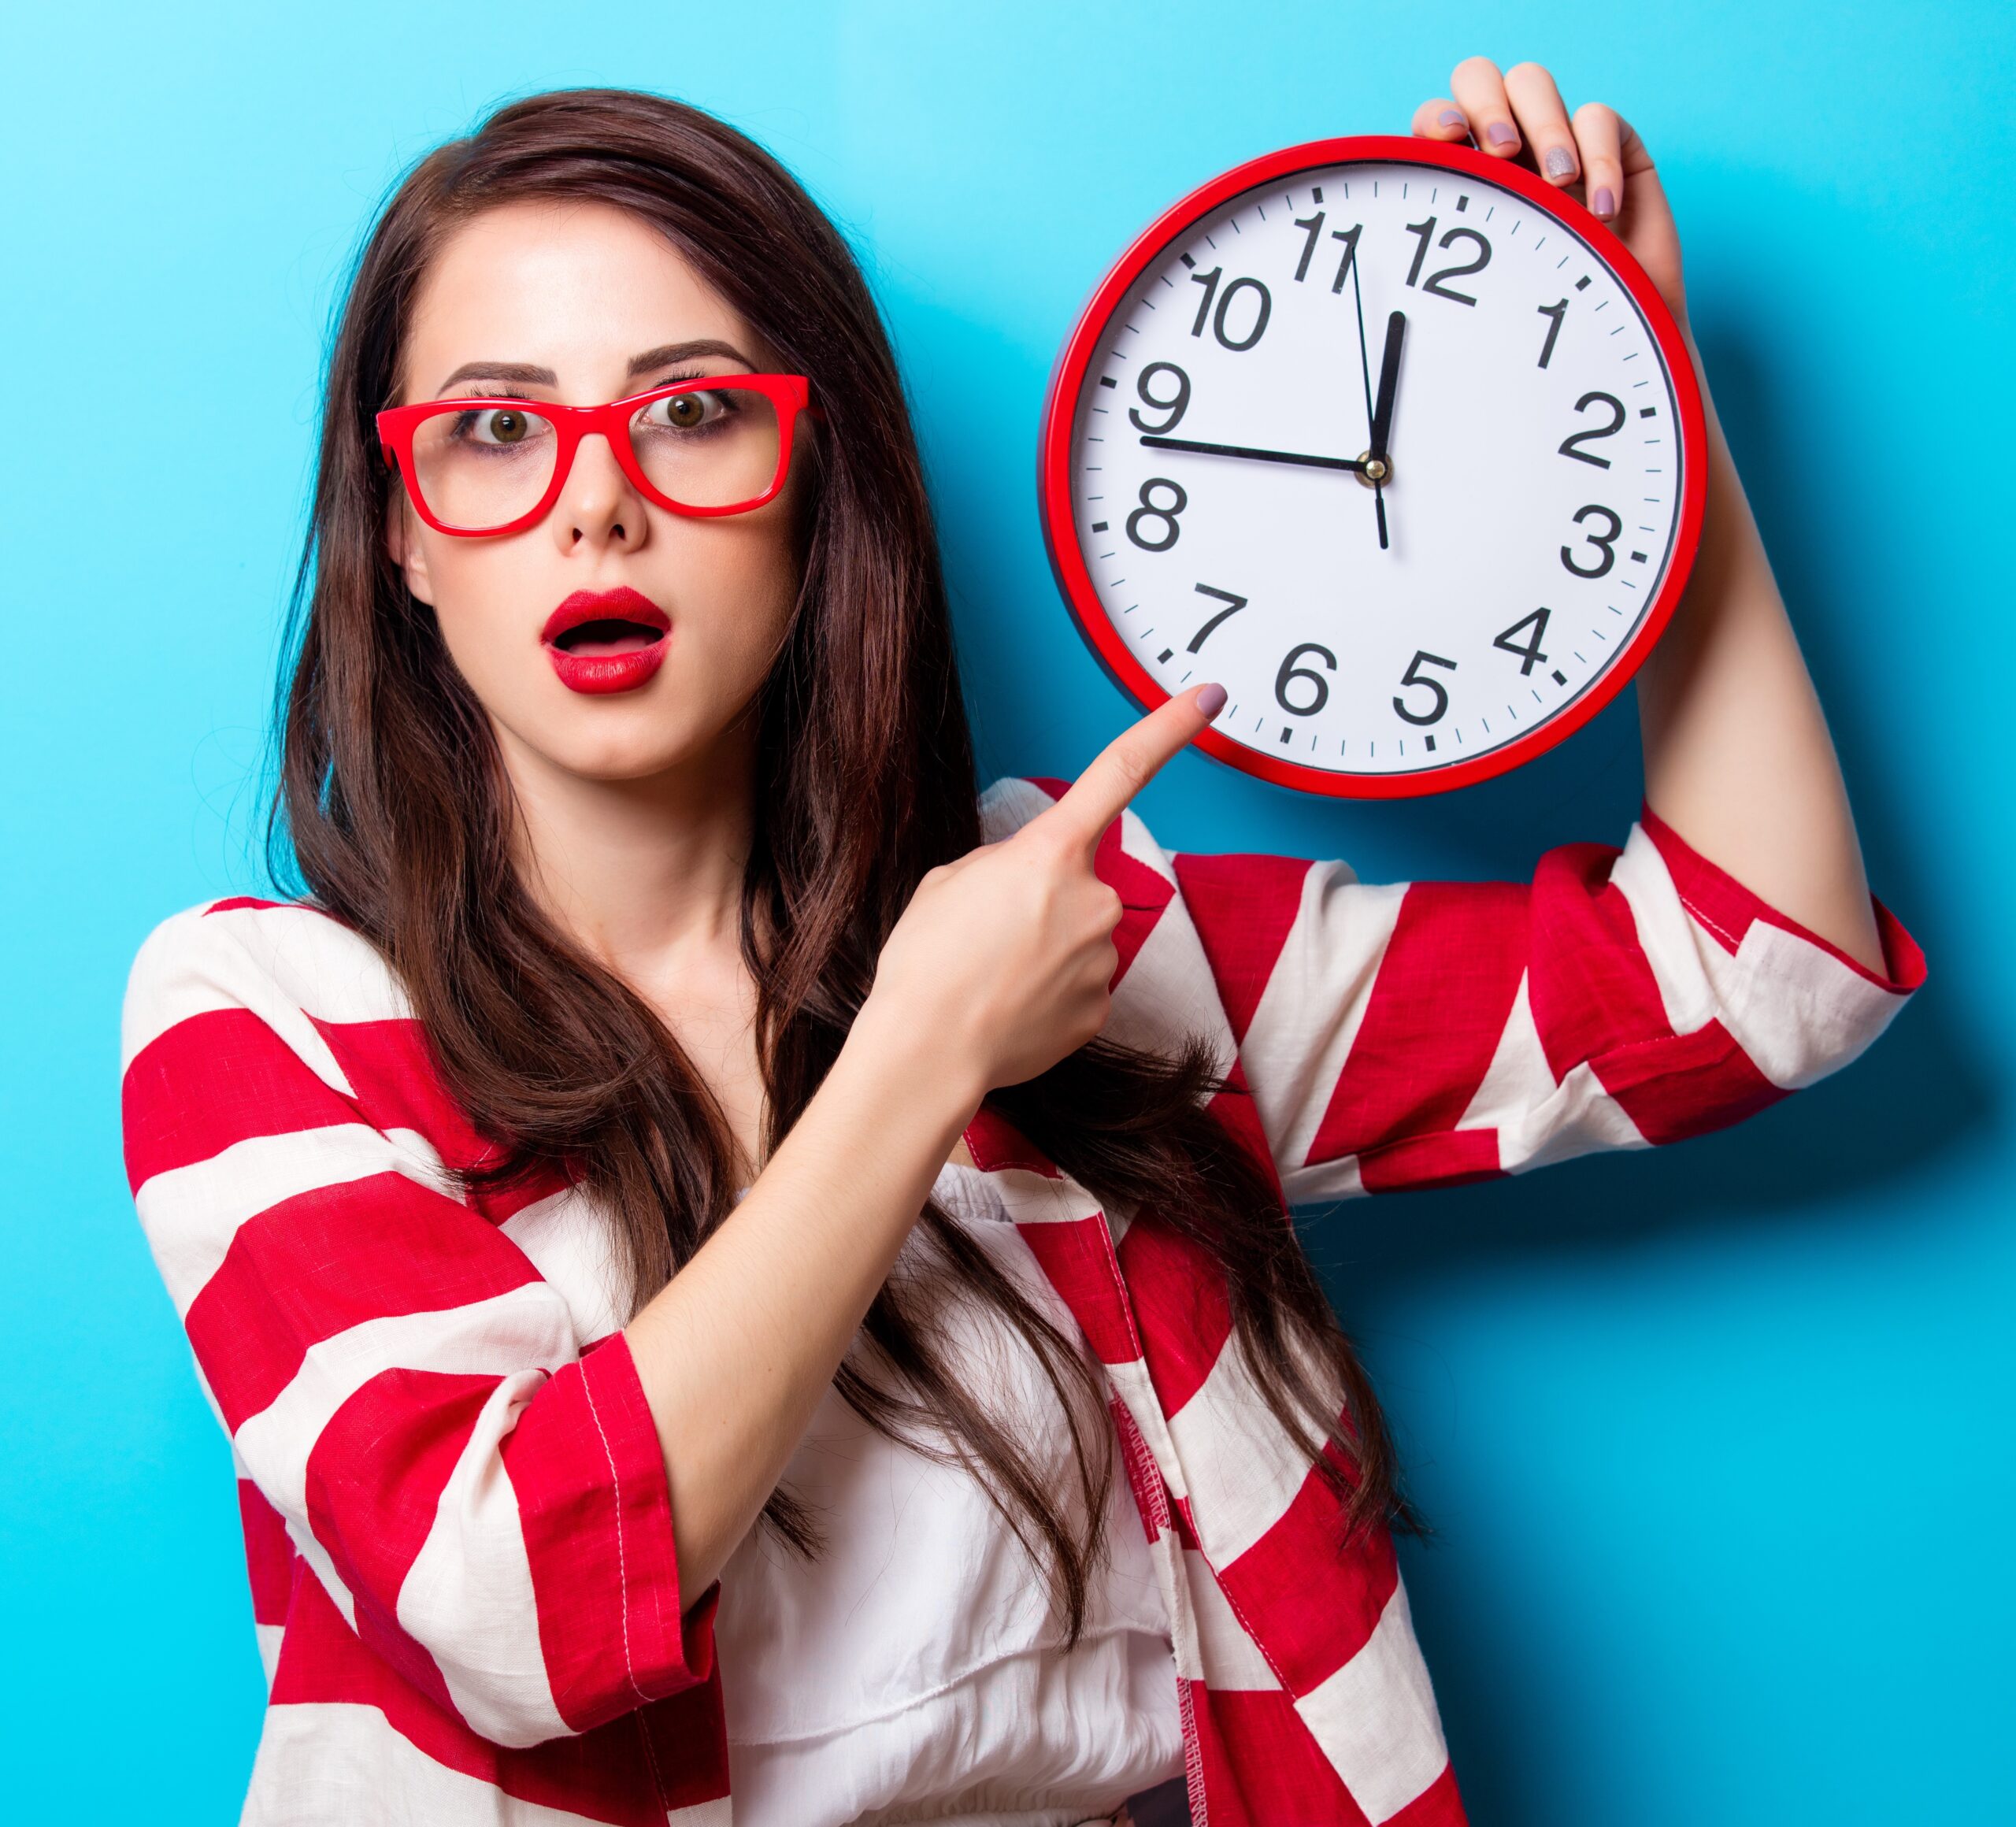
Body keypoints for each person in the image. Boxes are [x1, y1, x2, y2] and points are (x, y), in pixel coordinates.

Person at [120, 56, 1922, 1827]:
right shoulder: (270, 1021)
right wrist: (922, 1049)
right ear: (403, 539)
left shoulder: (1081, 935)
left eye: (692, 409)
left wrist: (1637, 376)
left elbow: (1752, 973)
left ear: (819, 491)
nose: (598, 497)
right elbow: (522, 1609)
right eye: (495, 427)